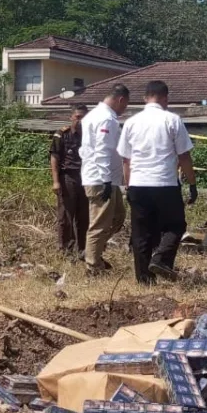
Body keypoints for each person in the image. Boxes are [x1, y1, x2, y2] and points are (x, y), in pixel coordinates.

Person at [116, 80, 198, 285]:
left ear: (145, 98)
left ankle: (144, 279)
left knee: (141, 232)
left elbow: (126, 160)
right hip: (165, 184)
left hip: (138, 183)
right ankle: (161, 259)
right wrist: (192, 183)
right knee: (176, 226)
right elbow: (184, 156)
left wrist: (128, 185)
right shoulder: (172, 120)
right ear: (165, 98)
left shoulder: (131, 122)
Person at [79, 85, 130, 274]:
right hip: (101, 178)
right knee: (100, 223)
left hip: (107, 178)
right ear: (121, 100)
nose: (124, 110)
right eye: (125, 105)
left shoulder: (94, 115)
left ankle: (92, 250)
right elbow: (102, 150)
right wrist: (106, 180)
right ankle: (93, 265)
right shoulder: (106, 119)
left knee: (118, 217)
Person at [50, 103, 89, 260]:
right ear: (71, 117)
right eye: (78, 117)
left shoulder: (90, 136)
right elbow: (54, 157)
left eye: (84, 117)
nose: (80, 121)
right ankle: (66, 251)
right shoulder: (62, 134)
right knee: (66, 217)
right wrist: (56, 181)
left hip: (86, 179)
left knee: (84, 217)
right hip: (68, 178)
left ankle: (83, 251)